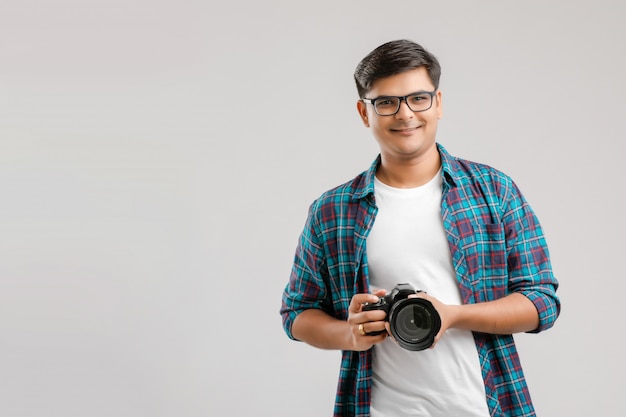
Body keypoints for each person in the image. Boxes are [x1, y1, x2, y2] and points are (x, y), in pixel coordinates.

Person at [280, 39, 560, 417]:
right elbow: (297, 313)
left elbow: (542, 300)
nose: (405, 113)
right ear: (364, 113)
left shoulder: (494, 191)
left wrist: (453, 315)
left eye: (418, 98)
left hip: (482, 406)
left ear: (438, 103)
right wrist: (350, 333)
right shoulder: (332, 211)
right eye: (386, 102)